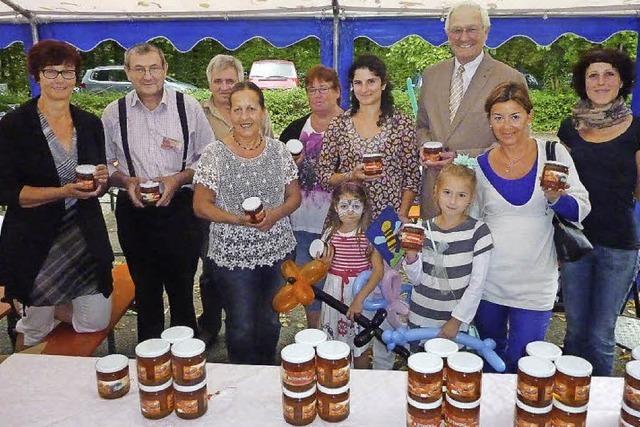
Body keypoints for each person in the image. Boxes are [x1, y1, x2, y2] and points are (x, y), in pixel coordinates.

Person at [0, 40, 114, 348]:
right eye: (51, 72)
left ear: (77, 77)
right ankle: (26, 377)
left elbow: (97, 179)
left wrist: (101, 181)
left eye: (67, 72)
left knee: (95, 321)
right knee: (35, 327)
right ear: (36, 76)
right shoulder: (13, 126)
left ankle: (46, 309)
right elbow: (9, 193)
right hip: (35, 240)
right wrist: (62, 191)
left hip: (82, 236)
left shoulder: (89, 124)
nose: (60, 79)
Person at [472, 82, 590, 373]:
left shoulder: (553, 153)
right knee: (490, 358)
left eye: (514, 116)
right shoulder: (479, 164)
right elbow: (473, 224)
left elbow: (581, 208)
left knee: (526, 363)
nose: (506, 125)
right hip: (488, 283)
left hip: (535, 284)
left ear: (529, 116)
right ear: (489, 120)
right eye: (498, 117)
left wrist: (555, 199)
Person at [102, 43, 213, 342]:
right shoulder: (114, 113)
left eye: (153, 67)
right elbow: (103, 165)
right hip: (134, 211)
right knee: (146, 293)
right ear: (127, 72)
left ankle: (187, 365)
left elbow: (208, 158)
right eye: (138, 68)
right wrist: (125, 181)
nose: (147, 75)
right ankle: (151, 370)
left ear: (165, 69)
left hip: (179, 210)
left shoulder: (187, 106)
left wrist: (178, 178)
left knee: (181, 292)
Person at [193, 82, 301, 365]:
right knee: (240, 326)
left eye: (251, 108)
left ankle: (265, 378)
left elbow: (294, 197)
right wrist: (238, 220)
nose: (244, 116)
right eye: (237, 109)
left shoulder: (279, 151)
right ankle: (240, 385)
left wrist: (275, 215)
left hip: (277, 252)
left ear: (263, 112)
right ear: (229, 114)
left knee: (270, 321)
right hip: (232, 256)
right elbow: (200, 205)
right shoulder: (214, 155)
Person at [558, 48, 640, 376]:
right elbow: (560, 183)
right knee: (575, 331)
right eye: (593, 75)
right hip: (576, 242)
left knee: (601, 336)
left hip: (619, 245)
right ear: (583, 82)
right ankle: (566, 401)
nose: (601, 81)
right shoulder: (568, 128)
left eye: (609, 74)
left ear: (622, 81)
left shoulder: (637, 129)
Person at [416, 0, 526, 219]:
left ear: (486, 32)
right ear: (447, 33)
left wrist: (462, 157)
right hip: (435, 195)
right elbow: (422, 125)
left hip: (482, 194)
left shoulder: (510, 78)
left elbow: (519, 141)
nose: (464, 37)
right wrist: (424, 147)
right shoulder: (431, 75)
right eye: (456, 30)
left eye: (471, 29)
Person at [317, 54, 420, 222]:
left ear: (384, 83)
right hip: (348, 220)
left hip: (389, 219)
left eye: (371, 81)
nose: (364, 89)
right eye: (358, 83)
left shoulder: (402, 123)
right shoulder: (338, 124)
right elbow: (323, 176)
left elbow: (412, 177)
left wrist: (401, 214)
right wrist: (351, 175)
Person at [279, 64, 343, 329]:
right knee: (309, 286)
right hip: (302, 223)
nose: (317, 95)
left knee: (341, 284)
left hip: (340, 224)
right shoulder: (294, 130)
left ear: (338, 92)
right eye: (312, 89)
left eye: (324, 89)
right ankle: (314, 337)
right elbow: (279, 176)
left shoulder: (351, 127)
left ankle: (342, 340)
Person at [403, 160, 492, 345]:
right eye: (447, 193)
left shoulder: (478, 232)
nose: (453, 201)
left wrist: (456, 321)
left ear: (471, 198)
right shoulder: (423, 228)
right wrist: (411, 256)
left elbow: (477, 284)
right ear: (435, 192)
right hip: (420, 317)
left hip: (454, 323)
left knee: (452, 370)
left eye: (461, 195)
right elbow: (416, 279)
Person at [317, 182, 383, 369]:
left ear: (364, 207)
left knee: (359, 345)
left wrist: (359, 300)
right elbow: (319, 270)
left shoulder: (369, 235)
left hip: (358, 293)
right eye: (344, 206)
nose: (350, 211)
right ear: (335, 207)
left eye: (356, 205)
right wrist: (324, 265)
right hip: (333, 292)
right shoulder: (329, 234)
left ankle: (363, 384)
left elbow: (378, 272)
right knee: (334, 346)